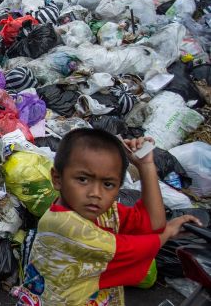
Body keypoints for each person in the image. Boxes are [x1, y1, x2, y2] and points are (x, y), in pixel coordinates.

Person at [15, 128, 202, 306]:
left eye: (108, 184)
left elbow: (153, 224)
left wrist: (145, 165)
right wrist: (169, 231)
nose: (95, 193)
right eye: (82, 179)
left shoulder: (103, 211)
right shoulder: (64, 225)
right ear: (57, 179)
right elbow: (134, 249)